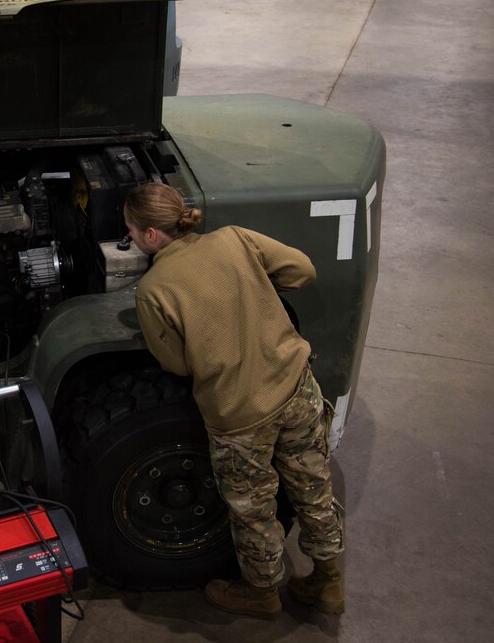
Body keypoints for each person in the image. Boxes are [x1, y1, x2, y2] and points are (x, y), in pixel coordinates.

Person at [123, 182, 345, 619]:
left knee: (254, 510)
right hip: (296, 387)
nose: (128, 237)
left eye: (130, 230)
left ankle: (261, 593)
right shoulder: (235, 238)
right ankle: (328, 581)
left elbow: (177, 365)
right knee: (313, 487)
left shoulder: (153, 289)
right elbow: (302, 271)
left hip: (240, 416)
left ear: (151, 236)